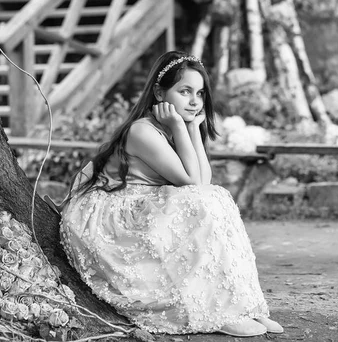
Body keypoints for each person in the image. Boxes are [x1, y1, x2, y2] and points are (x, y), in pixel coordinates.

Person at [59, 51, 283, 337]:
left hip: (142, 202)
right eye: (184, 91)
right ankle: (216, 313)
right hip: (109, 215)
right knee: (201, 201)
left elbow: (204, 181)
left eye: (200, 93)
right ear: (159, 92)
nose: (194, 101)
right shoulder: (142, 131)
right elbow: (192, 183)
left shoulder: (178, 125)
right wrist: (181, 126)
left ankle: (241, 306)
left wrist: (190, 127)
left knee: (216, 197)